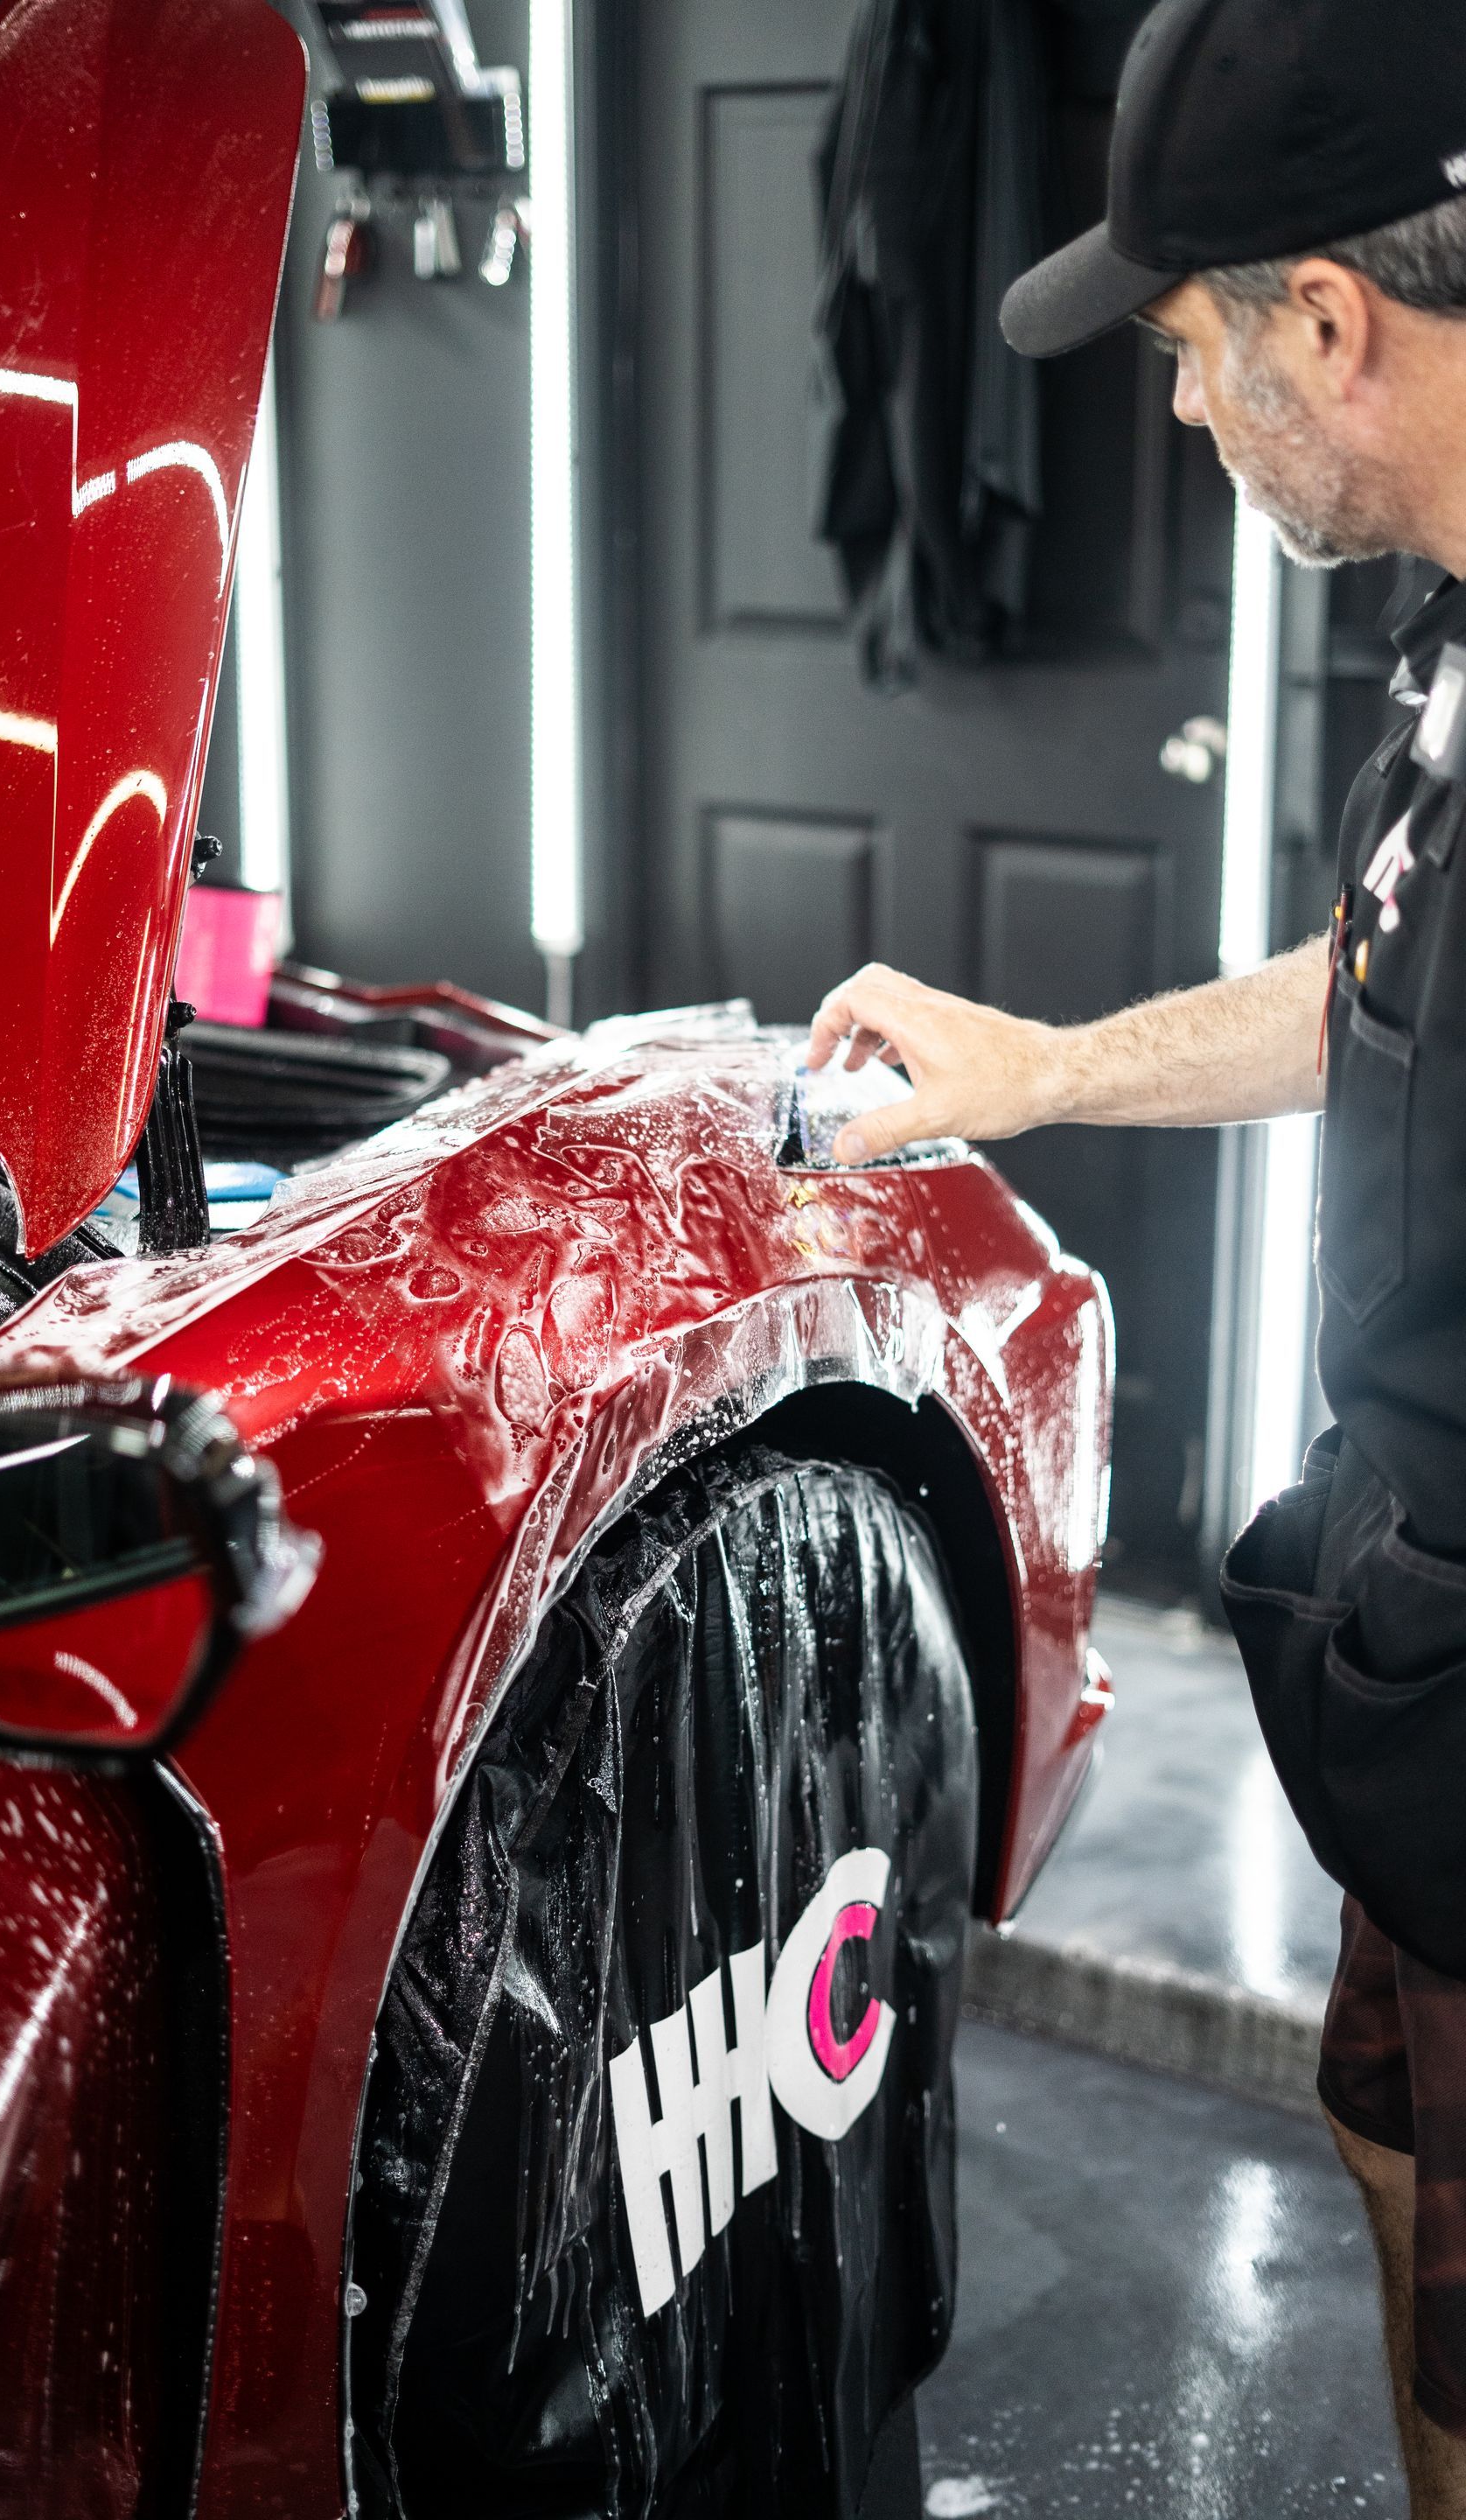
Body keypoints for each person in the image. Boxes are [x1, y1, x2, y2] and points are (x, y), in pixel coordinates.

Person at [805, 1, 1466, 2510]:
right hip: (1417, 1657)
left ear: (1329, 314)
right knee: (1407, 2205)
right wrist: (1041, 1065)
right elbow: (1376, 982)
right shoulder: (1457, 622)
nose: (1184, 416)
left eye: (1198, 352)